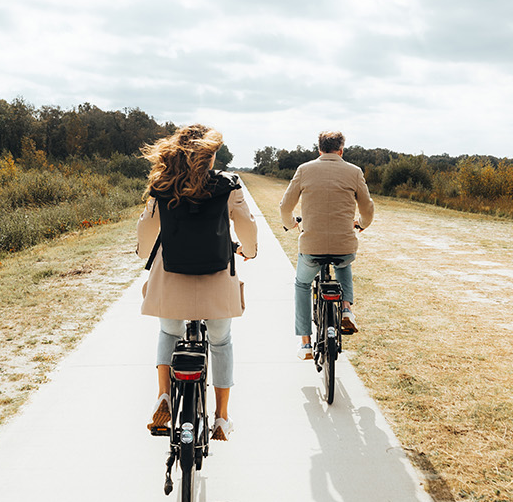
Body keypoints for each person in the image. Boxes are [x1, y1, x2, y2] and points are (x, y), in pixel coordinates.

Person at [136, 124, 257, 441]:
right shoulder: (228, 185)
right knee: (220, 341)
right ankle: (221, 417)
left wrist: (144, 253)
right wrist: (250, 251)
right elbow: (246, 224)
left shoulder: (163, 185)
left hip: (172, 279)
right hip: (216, 281)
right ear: (211, 155)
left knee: (168, 331)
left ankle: (164, 395)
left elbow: (146, 231)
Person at [278, 130, 374, 359]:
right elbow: (368, 208)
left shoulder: (305, 169)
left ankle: (305, 343)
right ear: (341, 150)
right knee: (343, 265)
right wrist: (360, 224)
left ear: (319, 149)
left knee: (302, 284)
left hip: (312, 247)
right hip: (344, 245)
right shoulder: (354, 171)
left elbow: (284, 207)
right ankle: (347, 309)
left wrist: (292, 224)